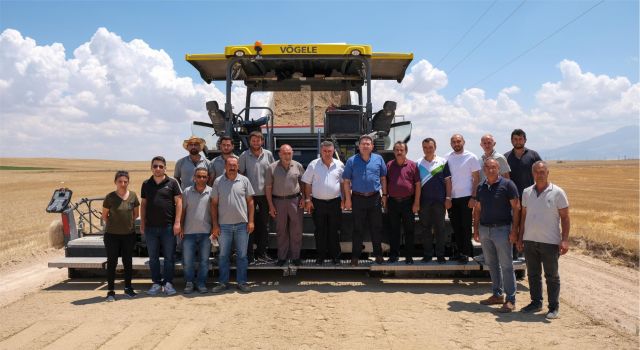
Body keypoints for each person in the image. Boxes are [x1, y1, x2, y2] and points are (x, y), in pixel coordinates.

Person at [518, 161, 570, 319]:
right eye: (536, 172)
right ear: (532, 174)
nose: (539, 175)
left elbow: (565, 218)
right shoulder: (527, 192)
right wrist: (520, 237)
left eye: (542, 172)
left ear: (548, 173)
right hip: (530, 240)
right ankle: (535, 302)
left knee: (551, 276)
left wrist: (565, 240)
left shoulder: (558, 192)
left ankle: (553, 307)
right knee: (533, 274)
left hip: (550, 242)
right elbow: (523, 216)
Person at [473, 158, 520, 313]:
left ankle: (511, 299)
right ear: (484, 170)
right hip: (485, 230)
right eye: (488, 167)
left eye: (493, 167)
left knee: (506, 265)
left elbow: (516, 208)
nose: (491, 170)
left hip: (503, 230)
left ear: (498, 168)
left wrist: (514, 231)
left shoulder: (508, 185)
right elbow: (478, 209)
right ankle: (497, 294)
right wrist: (476, 229)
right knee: (492, 264)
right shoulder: (481, 187)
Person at [211, 157, 255, 293]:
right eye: (229, 165)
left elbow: (250, 202)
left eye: (234, 165)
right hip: (224, 226)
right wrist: (215, 225)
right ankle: (223, 283)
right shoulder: (218, 182)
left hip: (242, 225)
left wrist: (251, 221)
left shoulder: (244, 180)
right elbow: (213, 204)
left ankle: (242, 282)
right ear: (225, 166)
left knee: (242, 256)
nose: (232, 167)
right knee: (223, 256)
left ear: (238, 166)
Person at [343, 135, 387, 266]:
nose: (365, 146)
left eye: (368, 144)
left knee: (376, 228)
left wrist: (384, 195)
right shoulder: (351, 161)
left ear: (372, 146)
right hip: (357, 198)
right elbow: (346, 181)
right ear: (359, 146)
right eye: (363, 144)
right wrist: (348, 199)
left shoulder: (379, 159)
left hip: (374, 198)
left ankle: (378, 255)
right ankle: (355, 257)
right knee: (357, 229)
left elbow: (383, 178)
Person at [140, 156, 182, 296]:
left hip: (168, 227)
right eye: (155, 166)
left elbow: (179, 203)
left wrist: (177, 222)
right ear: (151, 168)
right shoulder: (146, 184)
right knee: (153, 257)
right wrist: (143, 223)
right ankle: (156, 283)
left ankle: (168, 283)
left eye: (160, 166)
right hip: (151, 228)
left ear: (165, 168)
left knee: (169, 257)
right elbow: (144, 204)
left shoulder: (173, 183)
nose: (158, 168)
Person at [302, 141, 344, 266]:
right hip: (317, 203)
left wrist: (345, 199)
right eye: (325, 151)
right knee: (320, 231)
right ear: (321, 151)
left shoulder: (340, 165)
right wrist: (308, 200)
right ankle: (320, 257)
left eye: (329, 151)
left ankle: (336, 257)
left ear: (333, 151)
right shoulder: (313, 164)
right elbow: (307, 183)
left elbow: (343, 183)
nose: (327, 153)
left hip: (335, 202)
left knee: (334, 231)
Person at [101, 170, 140, 302]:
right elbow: (104, 216)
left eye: (125, 181)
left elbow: (136, 215)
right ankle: (111, 291)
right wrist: (115, 225)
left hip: (128, 235)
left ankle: (128, 288)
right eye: (120, 181)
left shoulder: (133, 196)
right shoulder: (110, 197)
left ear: (128, 182)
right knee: (112, 263)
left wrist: (126, 225)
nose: (123, 184)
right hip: (111, 236)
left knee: (127, 262)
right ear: (115, 182)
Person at [265, 144, 305, 267]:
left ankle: (296, 257)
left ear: (292, 153)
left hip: (295, 201)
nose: (287, 156)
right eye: (284, 153)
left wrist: (305, 198)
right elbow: (268, 187)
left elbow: (303, 183)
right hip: (278, 202)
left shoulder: (298, 165)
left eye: (289, 153)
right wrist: (271, 205)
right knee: (281, 230)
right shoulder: (271, 168)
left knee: (296, 230)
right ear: (280, 154)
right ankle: (282, 257)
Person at [239, 131, 275, 263]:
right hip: (249, 197)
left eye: (258, 140)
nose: (256, 142)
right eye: (253, 140)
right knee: (249, 226)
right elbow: (240, 174)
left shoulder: (269, 155)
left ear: (262, 141)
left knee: (264, 226)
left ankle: (262, 253)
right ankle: (250, 255)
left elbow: (272, 173)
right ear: (250, 142)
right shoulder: (244, 156)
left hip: (265, 196)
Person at [444, 134, 480, 264]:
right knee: (456, 227)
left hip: (466, 198)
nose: (456, 143)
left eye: (458, 141)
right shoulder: (447, 158)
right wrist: (447, 198)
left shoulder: (471, 157)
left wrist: (474, 197)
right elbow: (446, 179)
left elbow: (477, 178)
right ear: (451, 144)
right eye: (453, 142)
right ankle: (459, 252)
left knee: (465, 227)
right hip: (452, 198)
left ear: (463, 142)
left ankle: (466, 253)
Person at [179, 166, 213, 294]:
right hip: (188, 232)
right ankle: (189, 282)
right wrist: (181, 226)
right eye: (199, 176)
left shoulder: (212, 192)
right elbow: (183, 210)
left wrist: (214, 228)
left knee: (204, 261)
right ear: (194, 178)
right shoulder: (187, 192)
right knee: (188, 261)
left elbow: (214, 212)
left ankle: (201, 283)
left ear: (208, 178)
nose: (201, 178)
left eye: (204, 176)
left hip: (206, 233)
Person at [417, 138, 450, 264]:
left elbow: (448, 181)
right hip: (424, 202)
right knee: (425, 229)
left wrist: (448, 198)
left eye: (430, 147)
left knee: (440, 229)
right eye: (425, 147)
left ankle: (440, 255)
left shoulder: (443, 162)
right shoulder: (418, 163)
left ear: (435, 147)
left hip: (439, 202)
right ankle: (427, 255)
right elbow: (417, 184)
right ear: (423, 148)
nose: (428, 149)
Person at [386, 141, 421, 264]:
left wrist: (416, 203)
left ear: (406, 151)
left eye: (402, 150)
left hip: (408, 202)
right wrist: (384, 198)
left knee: (409, 230)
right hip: (393, 202)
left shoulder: (413, 165)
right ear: (394, 151)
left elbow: (417, 184)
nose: (399, 152)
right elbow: (385, 183)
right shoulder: (389, 165)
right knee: (393, 230)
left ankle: (409, 257)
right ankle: (394, 255)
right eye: (397, 150)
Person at [504, 129, 542, 197]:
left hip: (531, 195)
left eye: (520, 139)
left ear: (525, 140)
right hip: (511, 197)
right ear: (511, 141)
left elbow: (542, 173)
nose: (518, 141)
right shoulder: (505, 157)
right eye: (515, 139)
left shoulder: (533, 155)